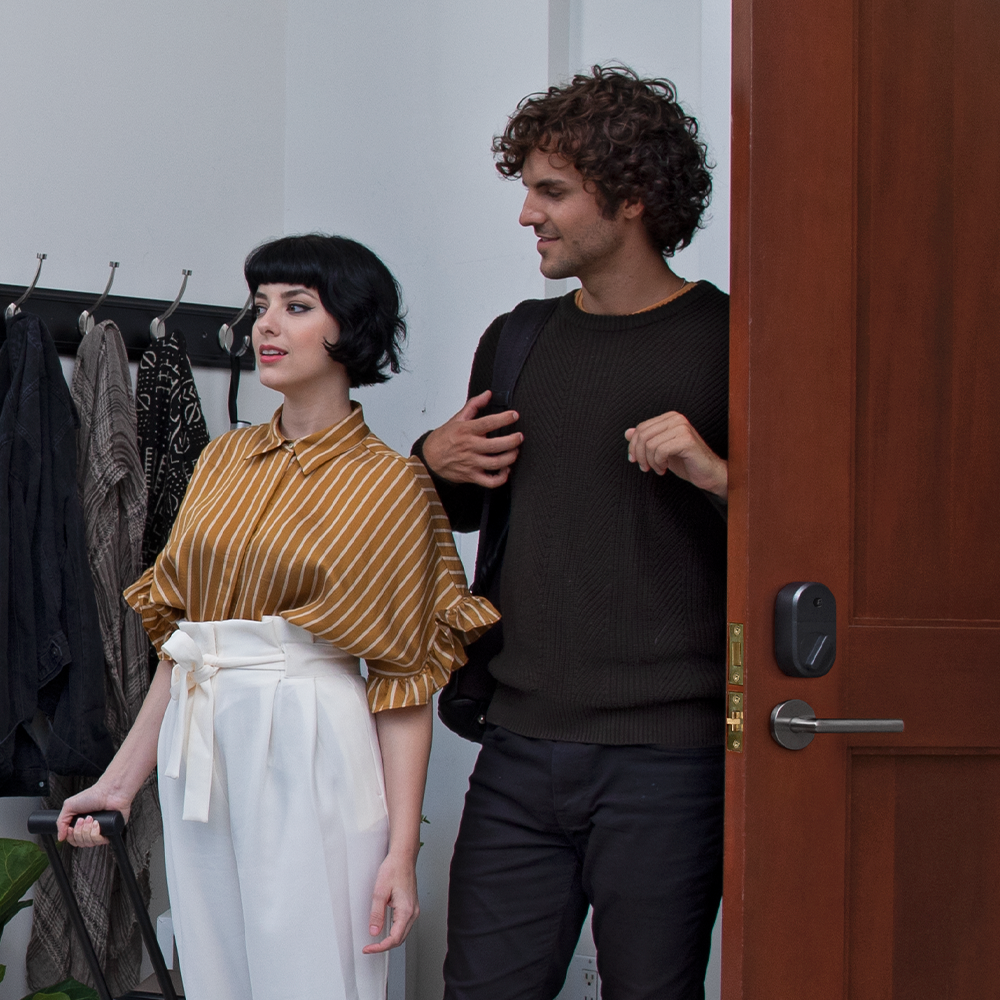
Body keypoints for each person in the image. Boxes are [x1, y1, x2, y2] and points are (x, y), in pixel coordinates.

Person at [57, 234, 499, 1000]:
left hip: (314, 738)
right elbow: (188, 646)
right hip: (206, 744)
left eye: (297, 307)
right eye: (261, 306)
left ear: (349, 329)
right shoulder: (221, 461)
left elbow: (403, 686)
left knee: (314, 975)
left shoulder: (392, 485)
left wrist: (400, 853)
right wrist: (121, 782)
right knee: (216, 974)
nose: (267, 325)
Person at [412, 67, 729, 999]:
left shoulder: (734, 341)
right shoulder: (517, 340)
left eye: (551, 192)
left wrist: (716, 474)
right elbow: (458, 515)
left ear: (631, 197)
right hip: (517, 746)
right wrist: (431, 458)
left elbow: (809, 547)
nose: (527, 216)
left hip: (672, 760)